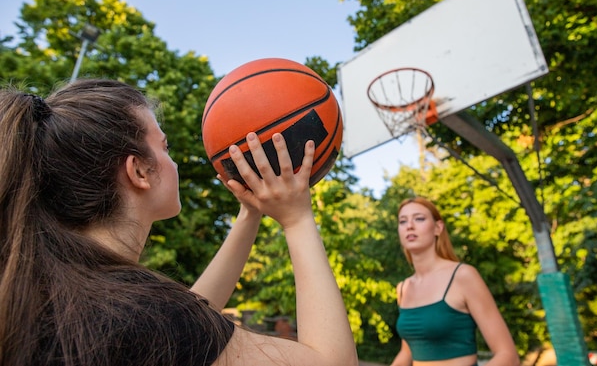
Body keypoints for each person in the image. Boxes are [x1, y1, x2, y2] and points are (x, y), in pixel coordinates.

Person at [0, 79, 358, 366]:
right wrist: (297, 219)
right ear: (139, 171)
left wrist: (249, 216)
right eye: (165, 147)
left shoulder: (47, 290)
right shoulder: (138, 314)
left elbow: (188, 320)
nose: (174, 163)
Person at [389, 197, 519, 366]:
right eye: (402, 221)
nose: (409, 226)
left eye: (419, 218)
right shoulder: (403, 288)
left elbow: (508, 355)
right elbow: (407, 353)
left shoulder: (463, 275)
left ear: (438, 228)